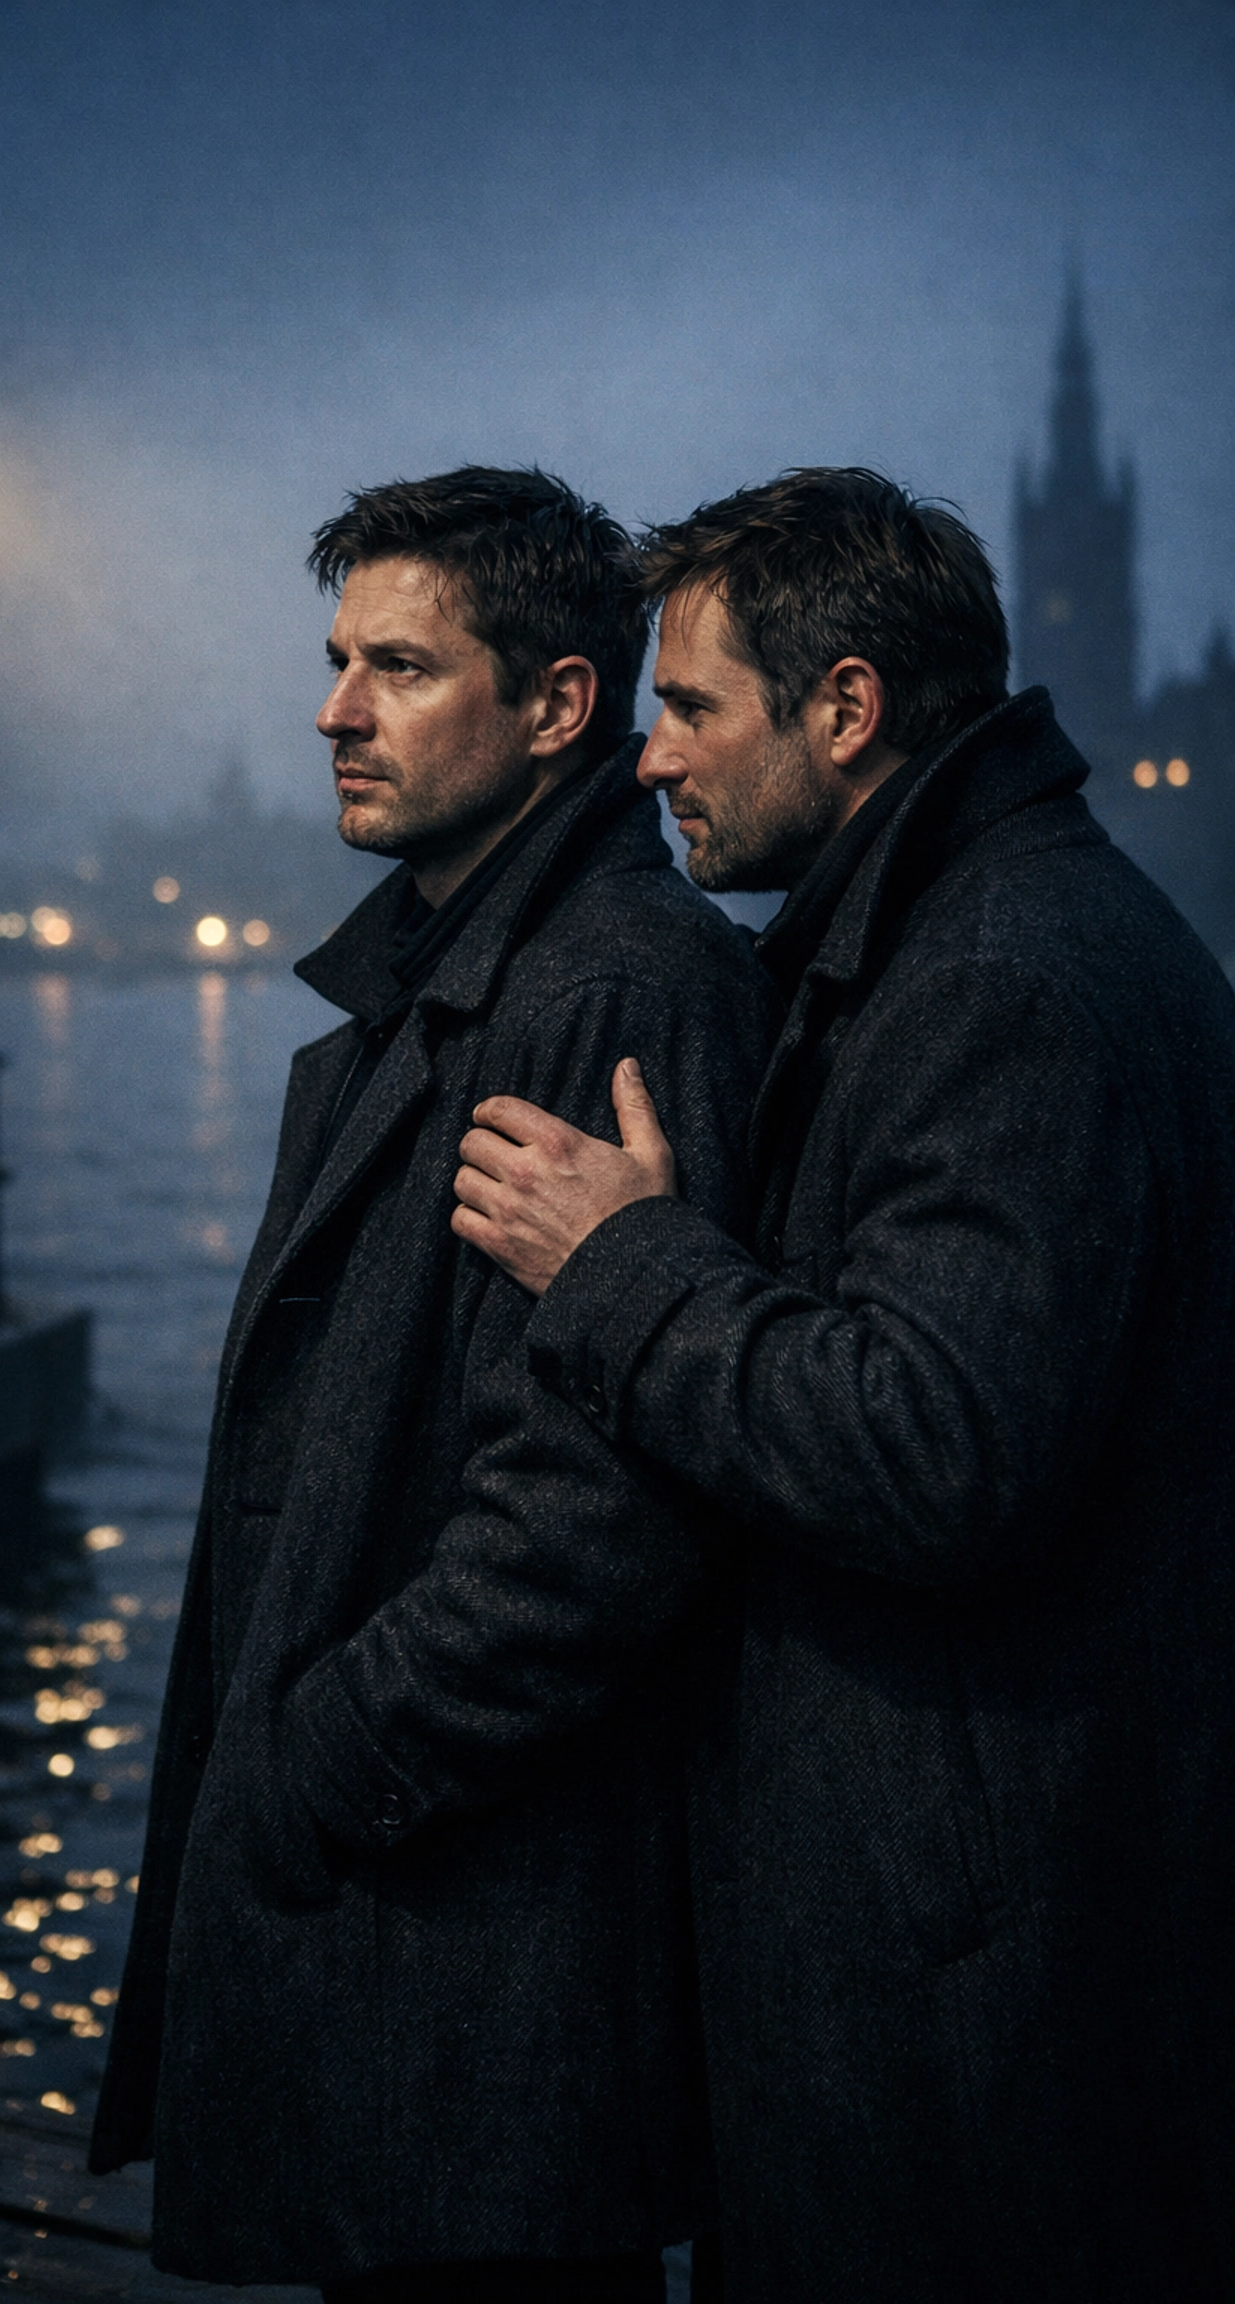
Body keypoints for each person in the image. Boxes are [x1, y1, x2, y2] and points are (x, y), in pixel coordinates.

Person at [453, 468, 1235, 2302]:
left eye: (694, 707)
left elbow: (938, 1453)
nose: (651, 760)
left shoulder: (1005, 985)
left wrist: (619, 1267)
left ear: (850, 708)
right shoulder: (992, 930)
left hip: (977, 1995)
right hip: (994, 1947)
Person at [89, 466, 779, 2301]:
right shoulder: (456, 980)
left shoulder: (615, 986)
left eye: (398, 668)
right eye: (335, 662)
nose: (332, 711)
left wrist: (317, 1758)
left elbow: (598, 1518)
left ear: (559, 705)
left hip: (488, 1943)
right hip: (426, 1939)